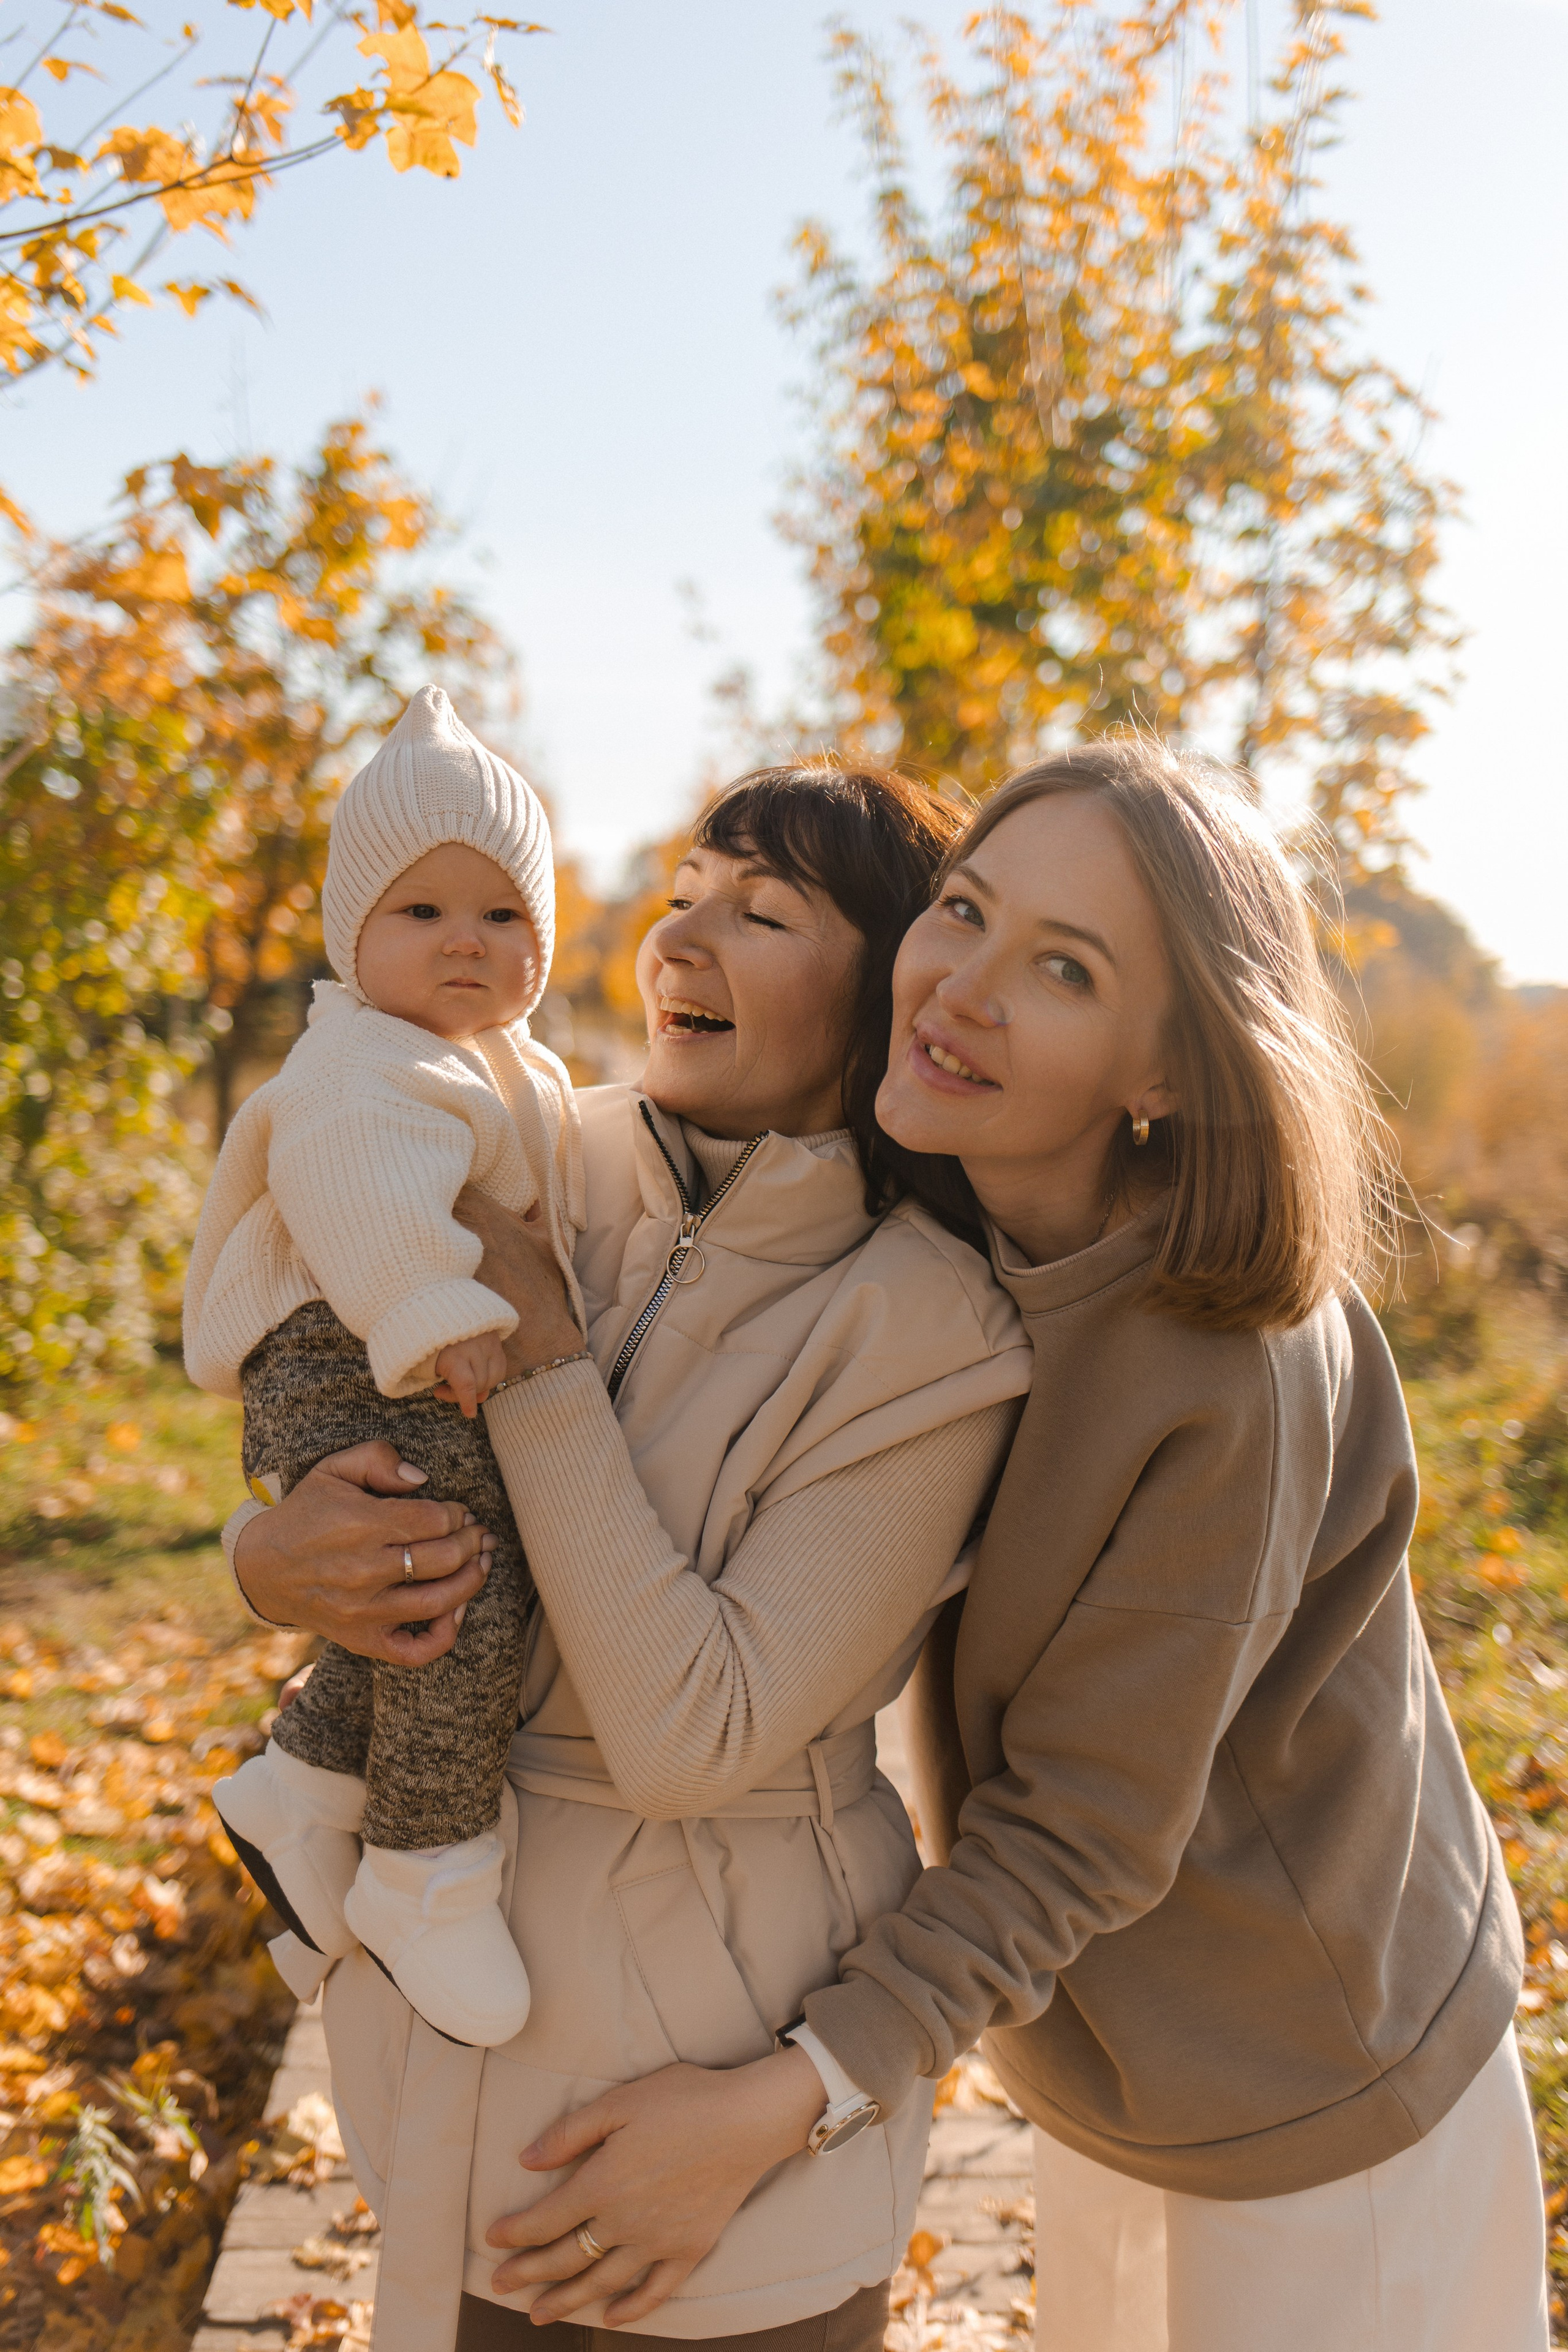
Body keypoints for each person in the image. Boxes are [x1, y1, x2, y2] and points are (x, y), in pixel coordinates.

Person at [480, 740, 1547, 2352]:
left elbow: (1087, 1833)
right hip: (1099, 2047)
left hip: (1312, 2081)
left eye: (1062, 967)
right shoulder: (961, 1219)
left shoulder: (1227, 1358)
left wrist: (783, 2105)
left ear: (1168, 1075)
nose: (960, 988)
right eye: (963, 911)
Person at [224, 764, 1036, 2352]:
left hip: (723, 2102)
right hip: (449, 2063)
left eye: (762, 910)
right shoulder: (509, 1153)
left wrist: (537, 1366)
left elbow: (692, 1736)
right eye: (680, 895)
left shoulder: (933, 1331)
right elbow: (317, 1408)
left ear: (884, 987)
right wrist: (265, 1560)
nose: (683, 937)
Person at [184, 685, 581, 2049]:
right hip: (349, 1353)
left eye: (502, 915)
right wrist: (436, 1312)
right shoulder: (364, 1059)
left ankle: (301, 1787)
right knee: (459, 1573)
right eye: (421, 913)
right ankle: (426, 1862)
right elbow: (357, 1187)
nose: (465, 943)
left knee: (448, 1570)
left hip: (379, 1348)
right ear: (355, 936)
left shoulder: (478, 1057)